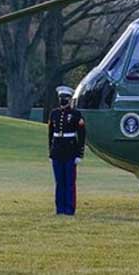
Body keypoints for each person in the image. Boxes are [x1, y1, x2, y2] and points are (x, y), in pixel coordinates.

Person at [48, 85, 86, 215]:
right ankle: (60, 209)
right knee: (59, 182)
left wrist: (79, 154)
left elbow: (81, 135)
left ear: (69, 99)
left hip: (70, 151)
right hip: (57, 151)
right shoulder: (54, 113)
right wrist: (50, 152)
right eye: (60, 98)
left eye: (65, 98)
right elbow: (51, 134)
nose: (62, 100)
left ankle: (69, 209)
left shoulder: (76, 114)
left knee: (69, 182)